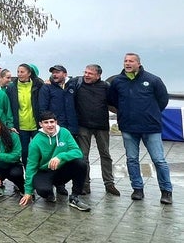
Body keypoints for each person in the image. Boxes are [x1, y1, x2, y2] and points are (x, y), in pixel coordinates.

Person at [108, 53, 172, 204]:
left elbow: (163, 100)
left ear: (138, 63)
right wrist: (125, 112)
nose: (127, 63)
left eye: (131, 61)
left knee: (159, 160)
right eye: (125, 61)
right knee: (131, 160)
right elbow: (113, 100)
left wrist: (150, 114)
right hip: (128, 127)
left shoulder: (153, 80)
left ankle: (166, 191)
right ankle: (137, 189)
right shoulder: (117, 81)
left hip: (151, 127)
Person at [19, 111, 91, 212]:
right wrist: (28, 192)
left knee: (81, 164)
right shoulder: (36, 142)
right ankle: (49, 191)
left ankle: (74, 197)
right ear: (41, 124)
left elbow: (78, 152)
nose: (50, 125)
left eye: (52, 122)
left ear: (56, 122)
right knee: (44, 191)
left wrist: (61, 156)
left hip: (61, 169)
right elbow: (31, 167)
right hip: (44, 171)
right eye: (46, 122)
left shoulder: (64, 132)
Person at [68, 64, 119, 196]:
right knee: (83, 157)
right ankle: (85, 185)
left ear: (98, 75)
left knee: (106, 155)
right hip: (83, 126)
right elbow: (62, 82)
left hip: (101, 126)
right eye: (85, 72)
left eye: (90, 73)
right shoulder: (77, 84)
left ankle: (109, 184)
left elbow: (115, 103)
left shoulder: (106, 87)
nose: (86, 75)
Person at [6, 63, 43, 164]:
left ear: (29, 73)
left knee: (38, 149)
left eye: (22, 72)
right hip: (21, 125)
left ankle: (39, 173)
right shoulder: (11, 88)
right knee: (24, 151)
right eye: (18, 72)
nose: (19, 74)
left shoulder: (38, 85)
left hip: (36, 124)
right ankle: (27, 174)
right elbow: (9, 107)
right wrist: (11, 124)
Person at [38, 65, 78, 135]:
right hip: (56, 126)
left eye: (57, 72)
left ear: (65, 74)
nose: (54, 75)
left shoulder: (72, 86)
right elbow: (43, 108)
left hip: (72, 125)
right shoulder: (47, 87)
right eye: (53, 73)